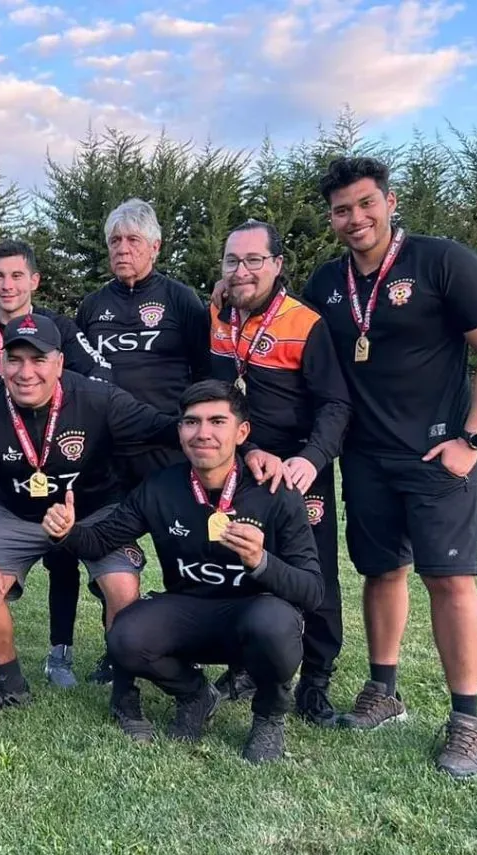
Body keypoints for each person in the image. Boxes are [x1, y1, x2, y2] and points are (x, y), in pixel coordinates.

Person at [302, 156, 477, 778]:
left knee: (450, 581)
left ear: (389, 202)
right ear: (332, 218)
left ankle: (467, 721)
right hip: (365, 457)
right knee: (381, 572)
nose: (355, 218)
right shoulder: (326, 283)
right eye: (342, 210)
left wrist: (471, 439)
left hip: (436, 454)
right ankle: (383, 691)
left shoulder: (442, 261)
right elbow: (287, 326)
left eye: (366, 203)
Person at [43, 380, 323, 763]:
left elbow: (312, 591)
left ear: (242, 432)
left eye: (217, 421)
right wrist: (67, 532)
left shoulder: (275, 491)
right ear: (180, 431)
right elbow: (99, 541)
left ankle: (269, 716)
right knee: (126, 636)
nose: (203, 433)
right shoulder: (160, 486)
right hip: (190, 611)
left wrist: (262, 561)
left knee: (273, 624)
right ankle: (194, 694)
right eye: (191, 422)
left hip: (255, 615)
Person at [0, 314, 181, 717]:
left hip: (94, 512)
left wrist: (240, 443)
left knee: (123, 587)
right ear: (1, 362)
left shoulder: (98, 398)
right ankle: (10, 684)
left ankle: (124, 692)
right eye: (15, 359)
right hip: (19, 516)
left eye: (38, 360)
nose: (26, 372)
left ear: (59, 363)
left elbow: (164, 428)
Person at [0, 239, 111, 686]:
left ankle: (61, 653)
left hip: (62, 470)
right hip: (1, 475)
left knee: (62, 560)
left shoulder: (58, 327)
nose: (7, 285)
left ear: (34, 280)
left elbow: (97, 380)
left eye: (17, 275)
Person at [208, 220, 351, 726]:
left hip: (295, 471)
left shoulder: (304, 322)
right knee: (240, 565)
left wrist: (309, 461)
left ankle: (315, 679)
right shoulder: (219, 314)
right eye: (232, 260)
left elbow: (335, 403)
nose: (241, 270)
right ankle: (248, 664)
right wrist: (245, 452)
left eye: (253, 260)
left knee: (314, 573)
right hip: (244, 466)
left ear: (277, 265)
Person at [75, 198, 211, 682]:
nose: (123, 249)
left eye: (133, 240)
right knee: (111, 557)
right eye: (115, 241)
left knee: (186, 553)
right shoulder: (92, 306)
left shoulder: (180, 300)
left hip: (168, 451)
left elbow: (207, 372)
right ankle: (118, 650)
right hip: (109, 457)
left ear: (155, 246)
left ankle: (189, 644)